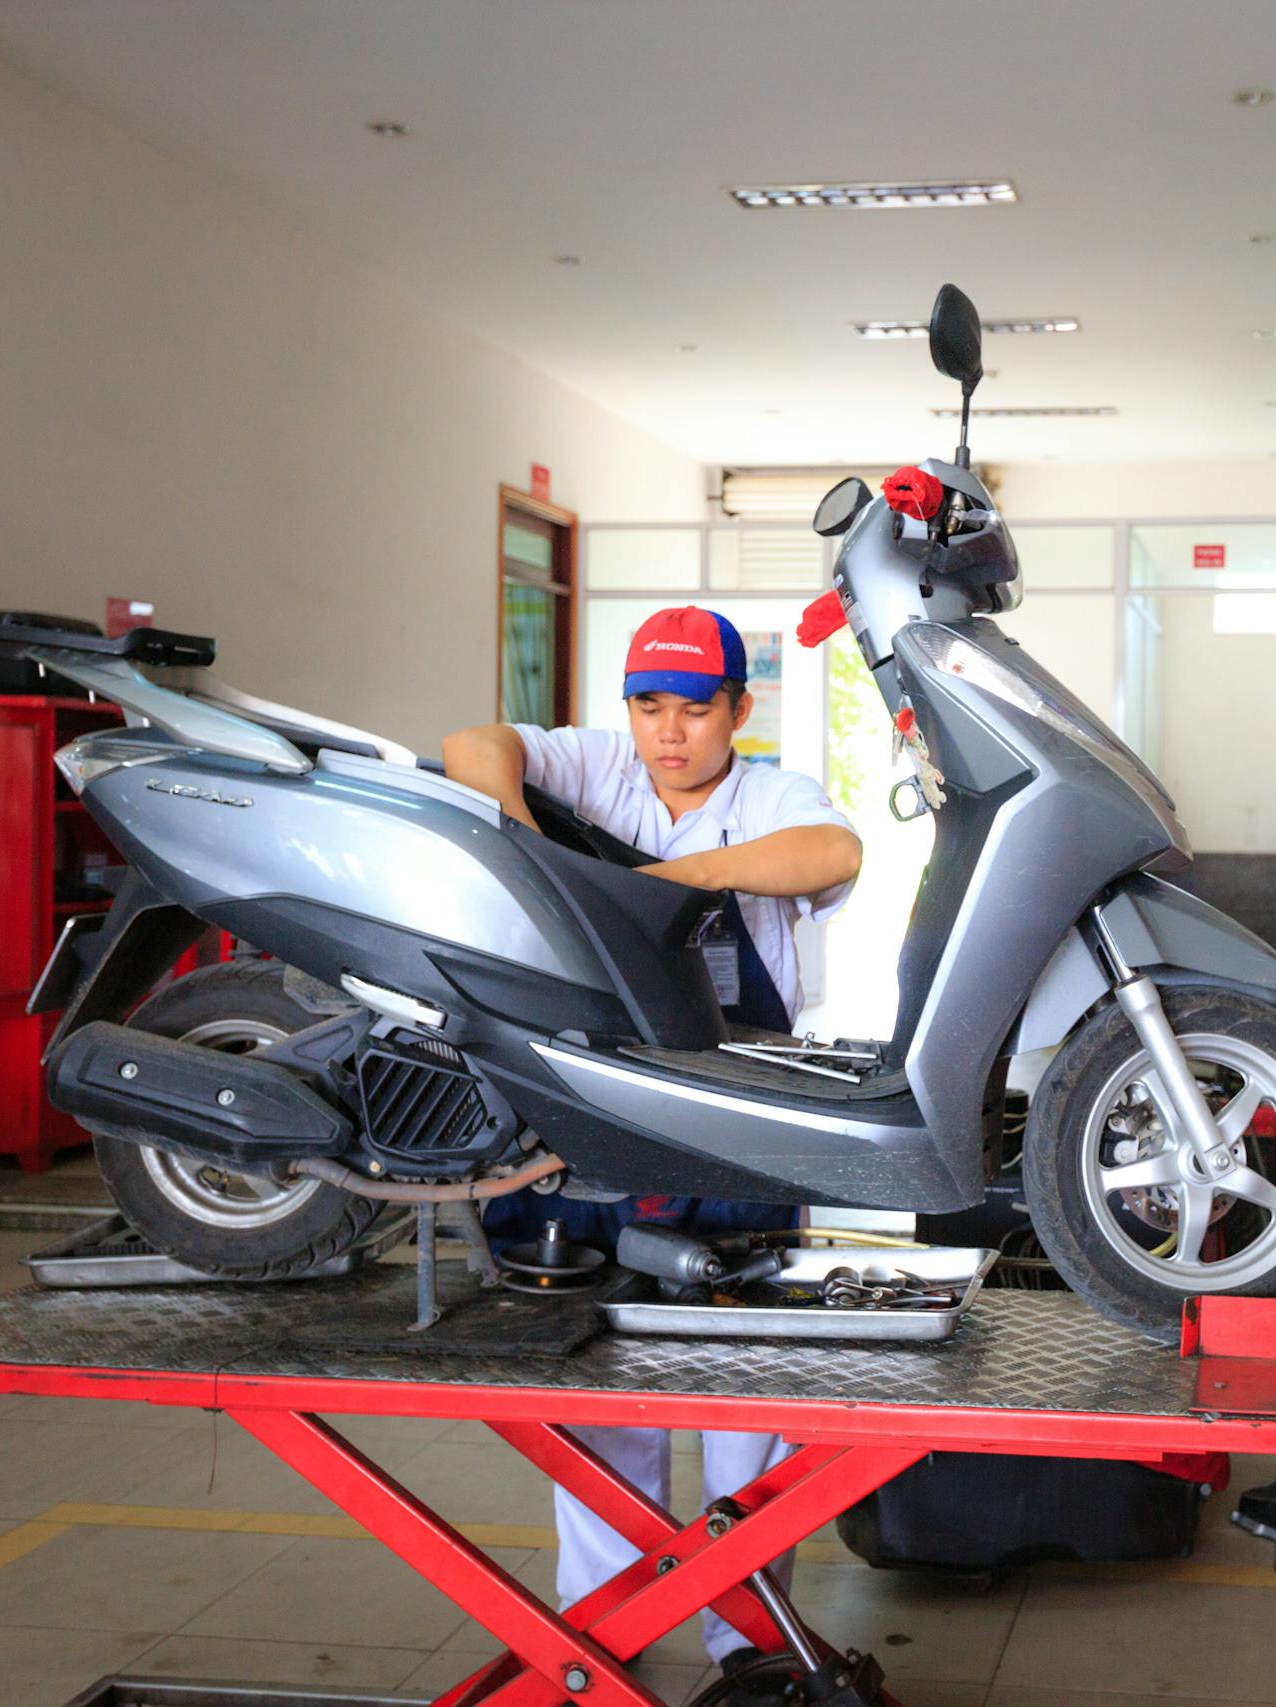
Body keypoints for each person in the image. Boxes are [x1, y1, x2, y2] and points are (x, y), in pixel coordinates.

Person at [443, 605, 860, 1693]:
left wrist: (670, 887)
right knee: (599, 1404)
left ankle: (751, 1650)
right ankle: (604, 1638)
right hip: (590, 1116)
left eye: (694, 710)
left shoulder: (769, 798)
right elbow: (471, 744)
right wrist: (519, 837)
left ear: (739, 710)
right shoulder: (598, 770)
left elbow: (836, 850)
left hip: (737, 1121)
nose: (668, 733)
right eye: (648, 707)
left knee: (740, 1408)